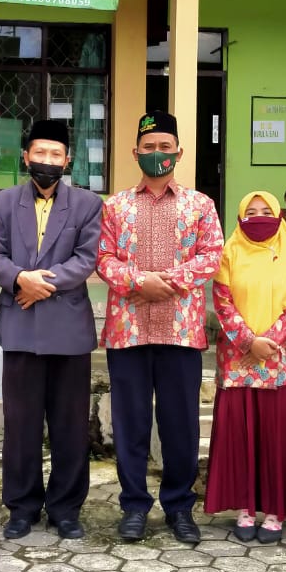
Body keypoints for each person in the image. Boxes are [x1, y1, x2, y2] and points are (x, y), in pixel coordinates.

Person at [98, 111, 224, 544]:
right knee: (130, 424)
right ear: (135, 153)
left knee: (180, 425)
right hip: (128, 331)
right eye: (149, 147)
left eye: (164, 147)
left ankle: (179, 507)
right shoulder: (115, 206)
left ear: (179, 152)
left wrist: (163, 283)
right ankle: (134, 506)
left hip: (181, 331)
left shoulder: (200, 205)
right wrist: (139, 282)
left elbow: (211, 256)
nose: (157, 153)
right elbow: (104, 258)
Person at [0, 120, 103, 540]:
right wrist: (21, 279)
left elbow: (86, 258)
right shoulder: (2, 203)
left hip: (68, 329)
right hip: (19, 326)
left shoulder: (88, 204)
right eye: (40, 153)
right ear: (26, 156)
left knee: (70, 426)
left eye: (56, 154)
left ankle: (66, 509)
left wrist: (40, 284)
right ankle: (22, 507)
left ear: (67, 160)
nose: (47, 161)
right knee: (21, 425)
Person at [205, 191, 286, 544]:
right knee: (240, 435)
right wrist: (249, 341)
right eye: (250, 212)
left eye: (266, 211)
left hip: (281, 358)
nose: (258, 217)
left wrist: (270, 340)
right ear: (239, 217)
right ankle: (245, 507)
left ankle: (276, 511)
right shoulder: (228, 254)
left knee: (278, 437)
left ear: (279, 215)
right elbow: (223, 302)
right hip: (239, 358)